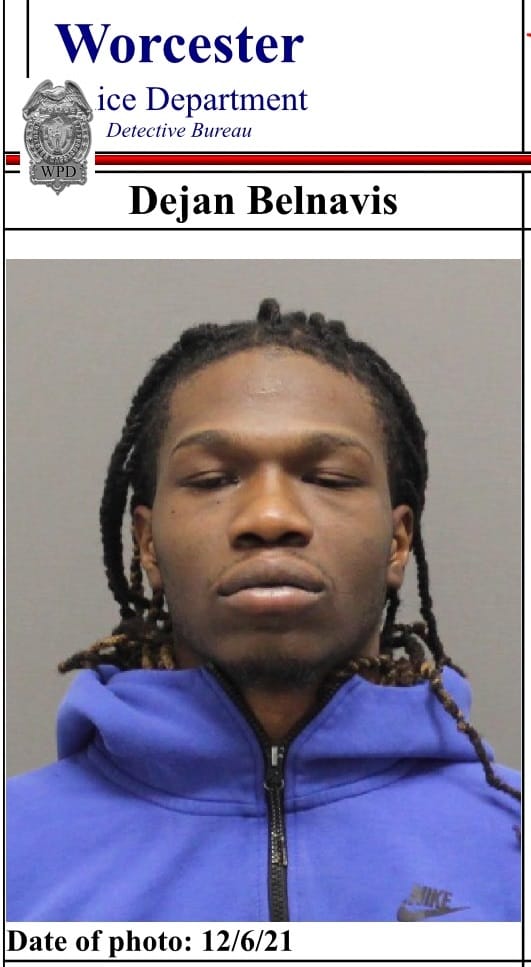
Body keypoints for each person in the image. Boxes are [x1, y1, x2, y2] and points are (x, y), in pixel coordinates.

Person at [7, 299, 520, 922]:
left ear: (397, 541)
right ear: (147, 544)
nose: (271, 516)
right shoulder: (17, 849)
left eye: (329, 478)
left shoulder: (511, 845)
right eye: (212, 479)